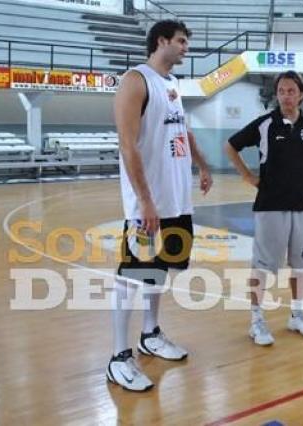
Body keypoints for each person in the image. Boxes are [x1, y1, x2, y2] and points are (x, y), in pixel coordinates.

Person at [107, 20, 212, 392]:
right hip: (148, 205)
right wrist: (146, 201)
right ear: (161, 41)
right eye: (182, 41)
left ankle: (150, 334)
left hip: (175, 200)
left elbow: (182, 129)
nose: (186, 47)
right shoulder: (135, 80)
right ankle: (118, 356)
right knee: (131, 275)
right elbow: (128, 145)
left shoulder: (171, 85)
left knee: (160, 270)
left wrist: (201, 162)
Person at [225, 70, 303, 346]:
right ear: (277, 95)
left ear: (301, 94)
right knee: (261, 266)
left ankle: (297, 314)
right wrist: (248, 176)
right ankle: (256, 320)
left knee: (301, 265)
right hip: (270, 205)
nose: (286, 95)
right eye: (281, 91)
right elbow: (231, 146)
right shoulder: (264, 124)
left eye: (291, 91)